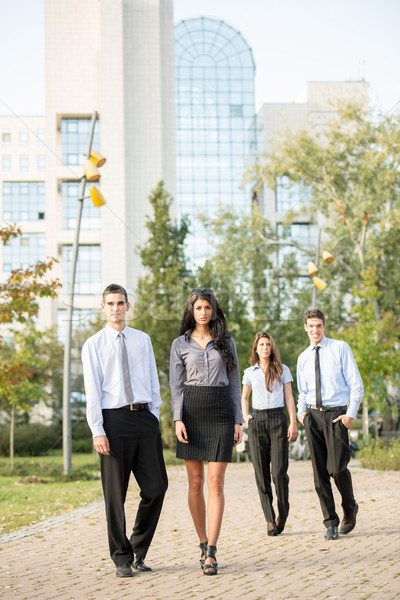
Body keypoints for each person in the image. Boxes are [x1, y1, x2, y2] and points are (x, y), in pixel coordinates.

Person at [82, 284, 168, 578]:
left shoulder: (142, 340)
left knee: (157, 488)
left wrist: (154, 416)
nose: (116, 308)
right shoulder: (93, 345)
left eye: (120, 303)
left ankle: (138, 549)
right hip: (113, 422)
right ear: (103, 308)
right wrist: (97, 429)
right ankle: (121, 558)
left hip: (144, 419)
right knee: (115, 495)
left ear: (128, 307)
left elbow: (153, 380)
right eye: (110, 303)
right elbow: (93, 390)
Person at [169, 289, 242, 576]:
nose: (203, 312)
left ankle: (212, 551)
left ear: (213, 310)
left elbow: (235, 382)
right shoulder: (180, 344)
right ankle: (202, 543)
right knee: (196, 482)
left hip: (222, 410)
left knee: (217, 482)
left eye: (208, 307)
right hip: (192, 410)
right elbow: (176, 385)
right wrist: (177, 419)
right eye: (198, 307)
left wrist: (238, 420)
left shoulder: (227, 342)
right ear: (192, 310)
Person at [297, 308, 363, 540]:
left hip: (336, 416)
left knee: (337, 469)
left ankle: (350, 507)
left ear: (324, 326)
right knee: (319, 474)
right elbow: (303, 391)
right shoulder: (303, 357)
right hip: (312, 417)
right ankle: (330, 522)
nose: (315, 330)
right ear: (305, 327)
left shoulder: (340, 348)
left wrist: (350, 414)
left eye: (319, 325)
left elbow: (356, 384)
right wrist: (300, 413)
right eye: (311, 326)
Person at [242, 332, 297, 536]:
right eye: (261, 344)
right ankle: (269, 518)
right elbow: (244, 397)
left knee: (279, 473)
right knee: (261, 474)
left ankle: (283, 513)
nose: (265, 348)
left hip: (277, 420)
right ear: (256, 349)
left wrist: (292, 422)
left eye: (268, 344)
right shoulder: (250, 372)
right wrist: (246, 416)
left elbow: (289, 397)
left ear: (272, 348)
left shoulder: (282, 370)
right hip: (257, 423)